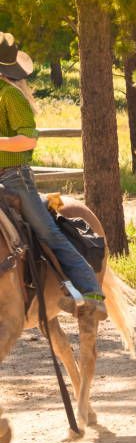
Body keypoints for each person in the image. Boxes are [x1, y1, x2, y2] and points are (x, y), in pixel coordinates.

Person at [0, 31, 106, 314]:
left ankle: (92, 293)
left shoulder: (10, 95)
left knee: (48, 233)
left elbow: (28, 139)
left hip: (14, 177)